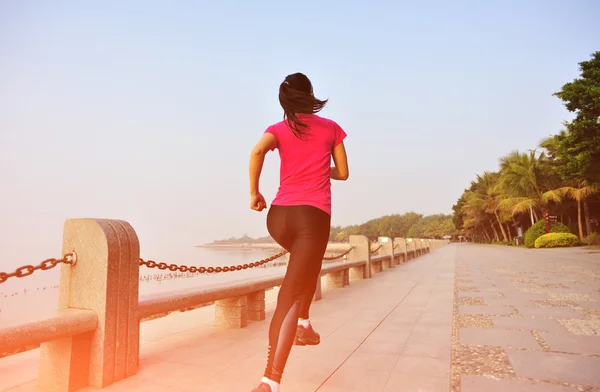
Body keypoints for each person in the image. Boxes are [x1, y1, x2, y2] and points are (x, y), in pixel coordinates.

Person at [248, 72, 349, 392]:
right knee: (289, 295)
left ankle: (304, 323)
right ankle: (270, 380)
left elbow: (257, 152)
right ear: (310, 95)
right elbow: (343, 174)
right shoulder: (331, 128)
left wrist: (254, 193)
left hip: (278, 218)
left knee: (308, 264)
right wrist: (322, 167)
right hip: (312, 217)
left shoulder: (277, 129)